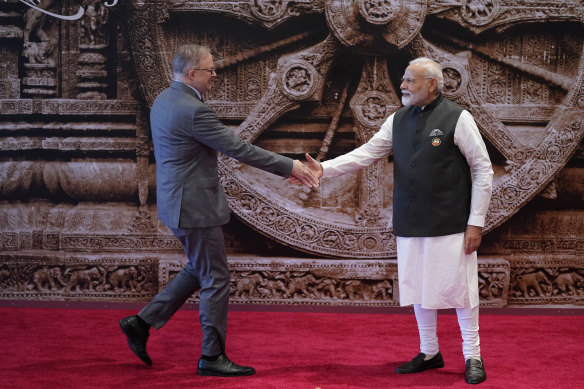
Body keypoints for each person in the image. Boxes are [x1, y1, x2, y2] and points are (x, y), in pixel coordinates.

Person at [119, 44, 319, 377]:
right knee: (216, 277)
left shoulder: (164, 100)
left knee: (200, 269)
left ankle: (141, 322)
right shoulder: (194, 110)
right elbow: (238, 149)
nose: (215, 75)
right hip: (195, 208)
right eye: (209, 69)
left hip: (176, 203)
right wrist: (291, 167)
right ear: (191, 73)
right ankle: (211, 357)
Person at [296, 57, 493, 385]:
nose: (402, 85)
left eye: (409, 80)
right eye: (404, 80)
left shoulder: (459, 118)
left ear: (431, 84)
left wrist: (476, 222)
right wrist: (323, 168)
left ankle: (473, 354)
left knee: (461, 290)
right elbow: (366, 153)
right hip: (410, 220)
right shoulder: (397, 120)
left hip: (452, 221)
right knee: (418, 287)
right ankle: (429, 352)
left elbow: (482, 169)